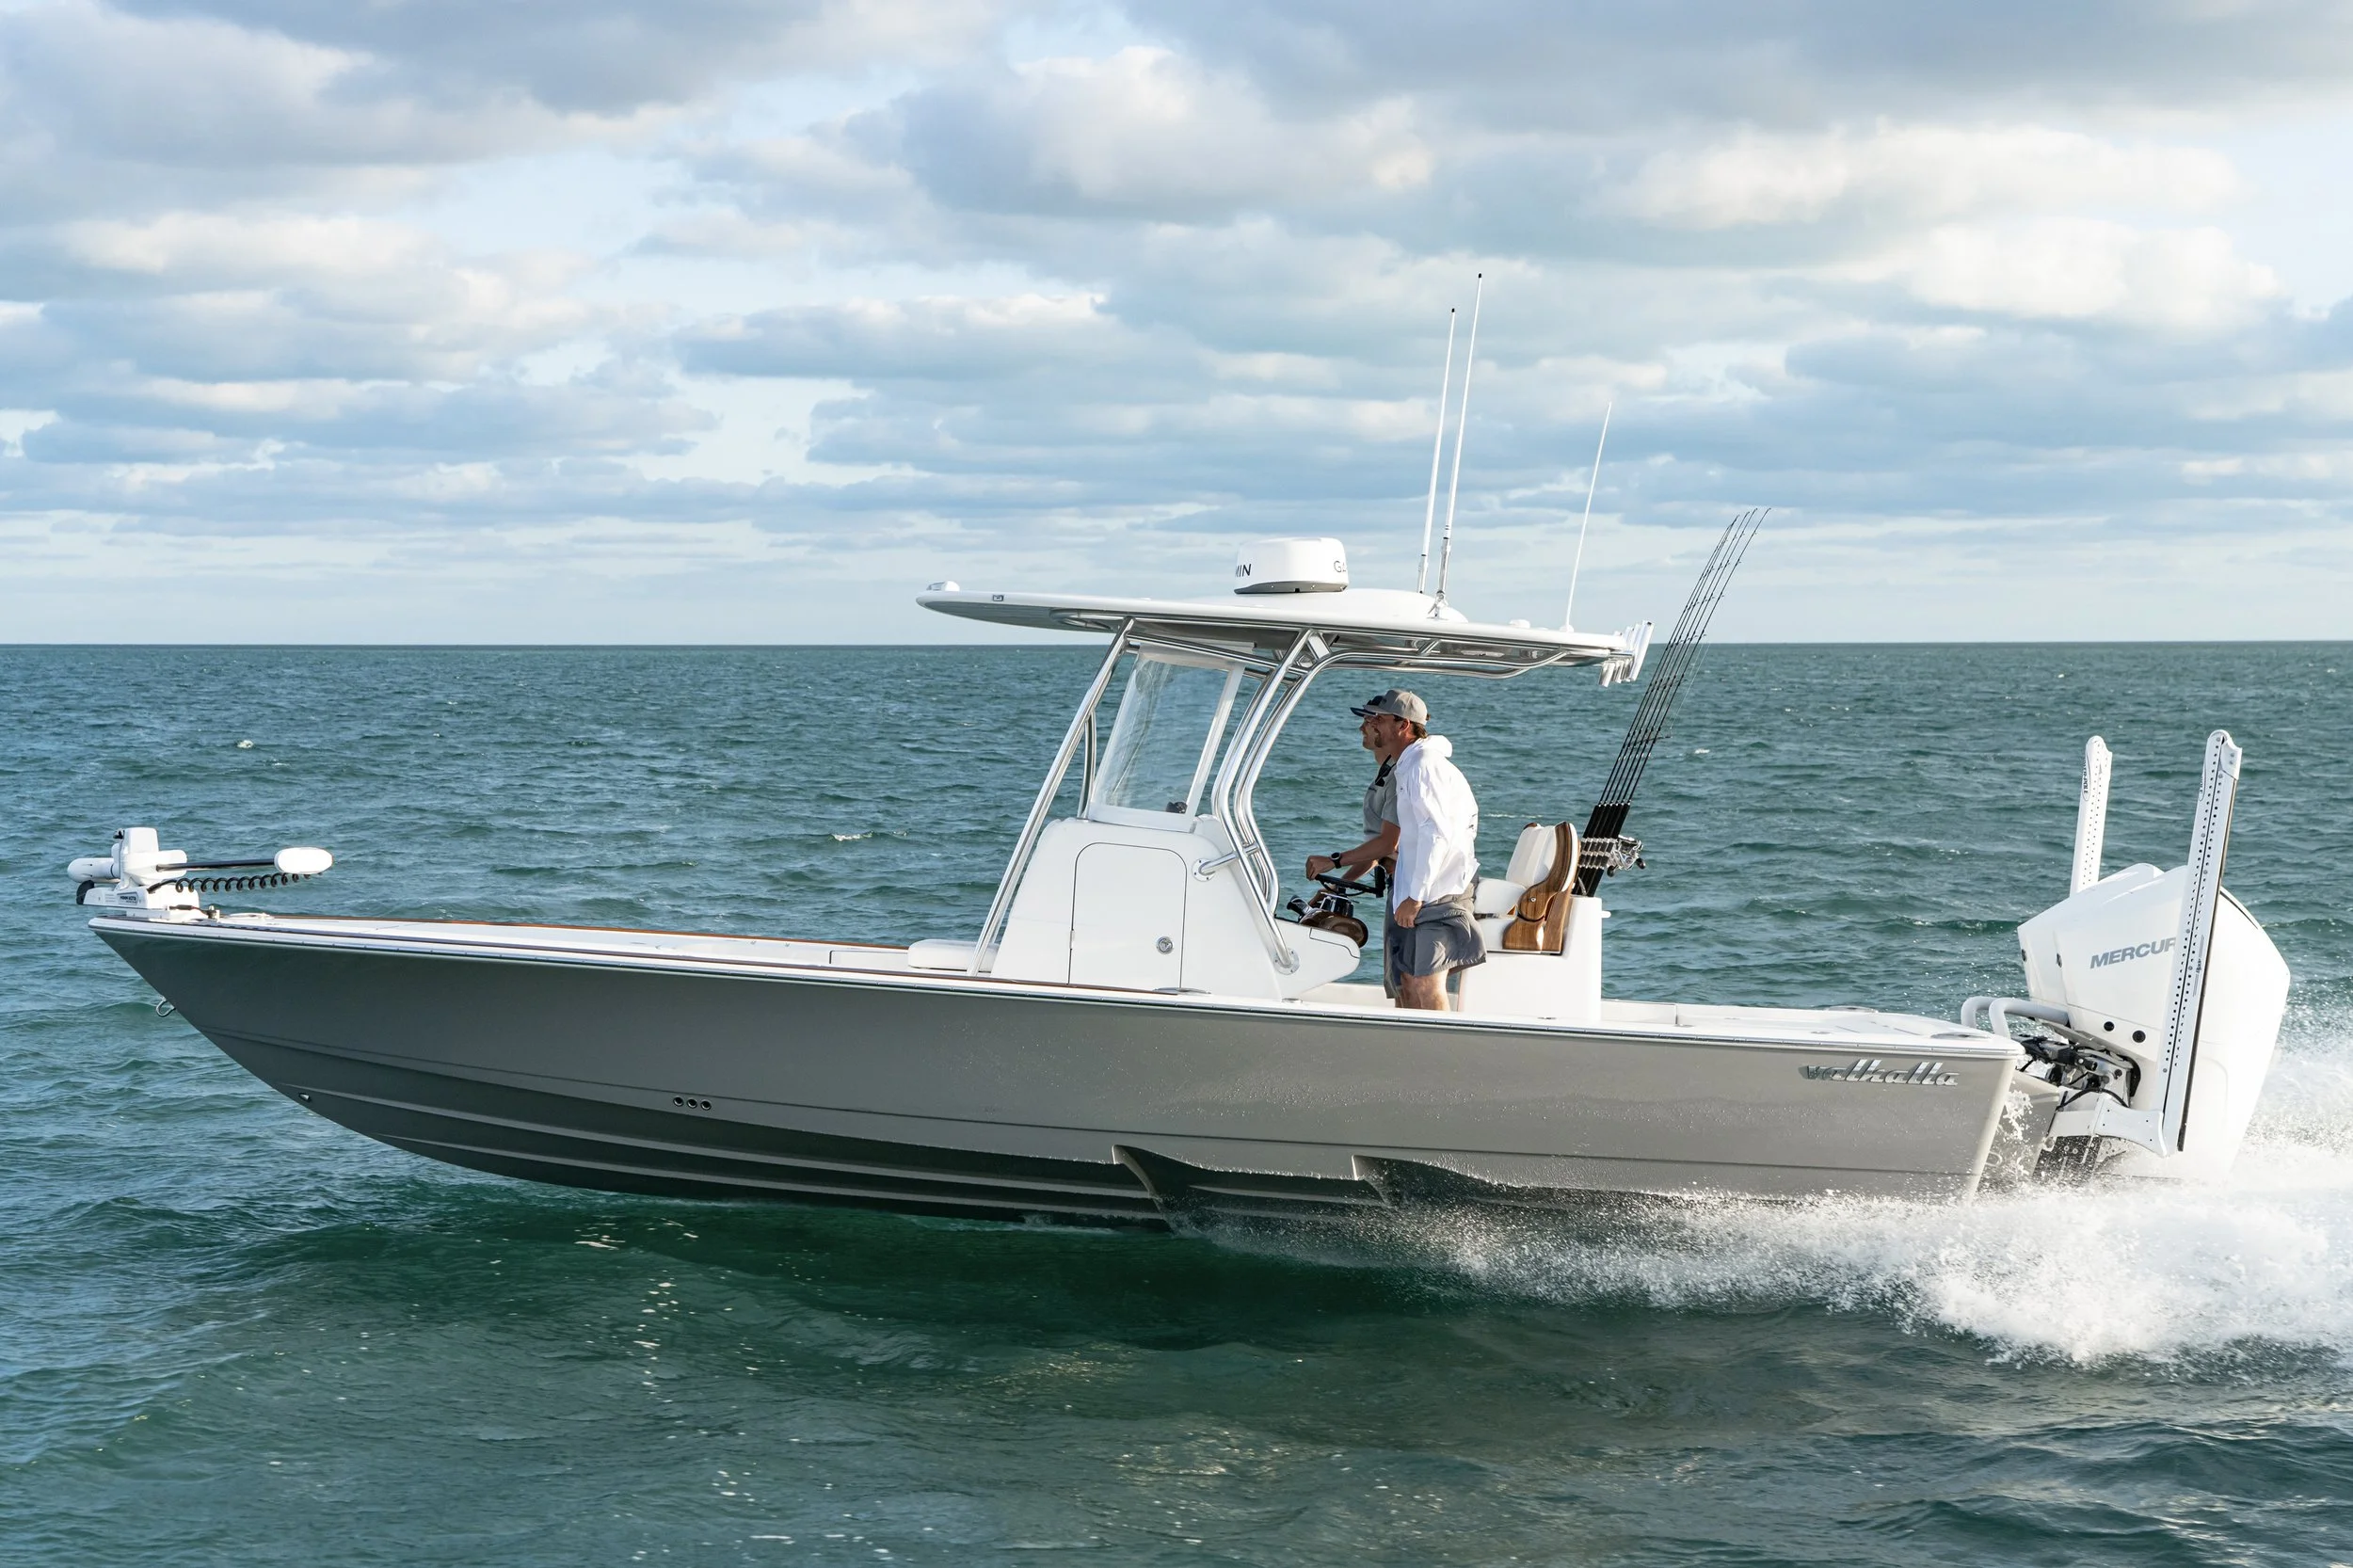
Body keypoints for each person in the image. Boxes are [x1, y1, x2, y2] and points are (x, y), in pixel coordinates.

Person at [1382, 691, 1484, 1011]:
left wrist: (1416, 896)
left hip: (1437, 893)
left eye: (1379, 719)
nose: (1370, 724)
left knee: (1427, 983)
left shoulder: (1424, 765)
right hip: (1420, 890)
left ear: (1404, 726)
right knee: (1409, 981)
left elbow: (1436, 833)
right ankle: (1410, 1056)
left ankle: (1442, 1058)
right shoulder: (1409, 764)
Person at [1303, 691, 1412, 891]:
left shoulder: (1400, 777)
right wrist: (1336, 888)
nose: (1363, 728)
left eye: (1372, 721)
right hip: (1399, 885)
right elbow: (1376, 849)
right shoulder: (1388, 772)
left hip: (1409, 888)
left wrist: (1333, 861)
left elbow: (1388, 844)